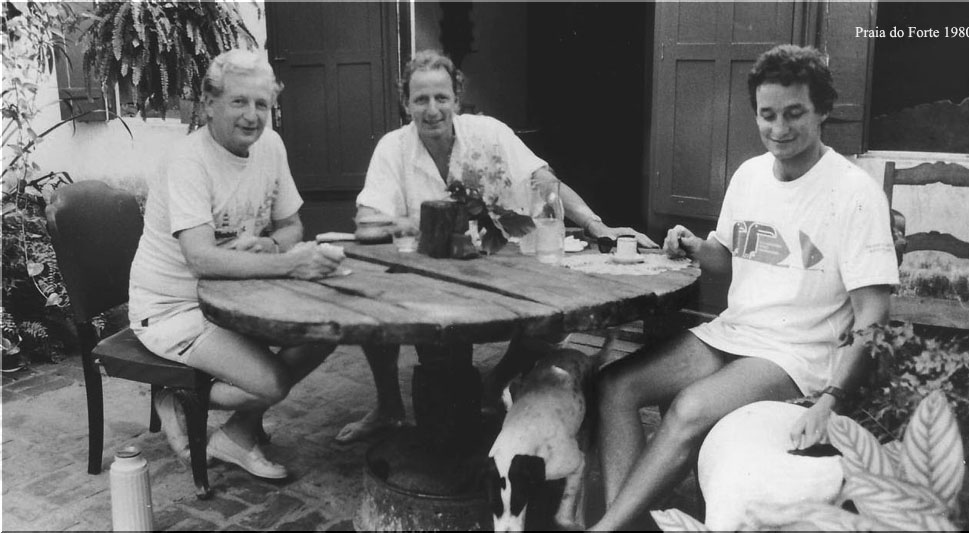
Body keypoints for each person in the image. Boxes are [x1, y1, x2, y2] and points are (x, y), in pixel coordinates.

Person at [590, 44, 899, 530]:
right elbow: (726, 258)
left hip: (797, 354)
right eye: (767, 115)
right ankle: (625, 522)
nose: (779, 129)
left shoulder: (855, 193)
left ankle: (607, 528)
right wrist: (693, 245)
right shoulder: (749, 175)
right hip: (734, 333)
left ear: (822, 110)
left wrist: (831, 400)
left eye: (794, 113)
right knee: (615, 386)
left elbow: (873, 316)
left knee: (689, 409)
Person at [335, 49, 657, 443]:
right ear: (406, 104)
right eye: (420, 99)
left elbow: (543, 181)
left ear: (457, 99)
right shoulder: (393, 147)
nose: (432, 110)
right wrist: (420, 221)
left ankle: (496, 382)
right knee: (373, 305)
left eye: (441, 97)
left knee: (550, 317)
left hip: (497, 261)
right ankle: (389, 406)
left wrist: (595, 223)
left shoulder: (488, 133)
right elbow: (367, 223)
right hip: (426, 272)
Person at [128, 49, 344, 479]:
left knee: (329, 329)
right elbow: (201, 259)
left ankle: (237, 435)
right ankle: (175, 394)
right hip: (175, 307)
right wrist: (290, 266)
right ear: (209, 104)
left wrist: (273, 245)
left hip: (239, 296)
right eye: (239, 101)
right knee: (272, 383)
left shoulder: (271, 146)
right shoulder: (189, 160)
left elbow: (292, 226)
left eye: (261, 104)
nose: (252, 116)